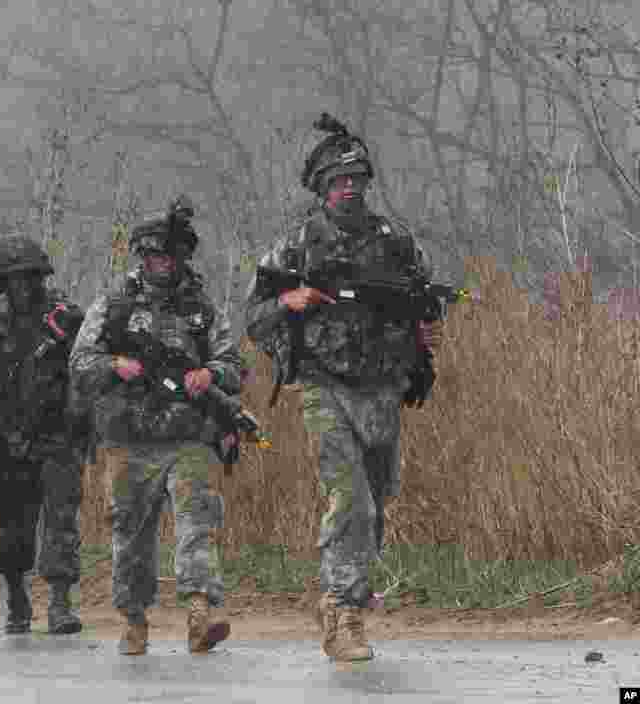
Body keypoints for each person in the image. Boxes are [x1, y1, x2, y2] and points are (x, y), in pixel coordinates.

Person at [243, 114, 443, 662]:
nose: (348, 188)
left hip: (381, 389)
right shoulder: (296, 247)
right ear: (322, 187)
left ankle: (348, 587)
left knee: (374, 506)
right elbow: (253, 316)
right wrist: (290, 302)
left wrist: (423, 345)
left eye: (356, 178)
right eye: (338, 180)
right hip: (323, 386)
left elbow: (423, 308)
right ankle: (343, 610)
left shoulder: (395, 243)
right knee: (348, 497)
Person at [68, 196, 242, 656]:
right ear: (142, 259)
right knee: (130, 532)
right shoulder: (114, 306)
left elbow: (233, 364)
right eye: (154, 256)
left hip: (188, 436)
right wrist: (115, 364)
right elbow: (80, 362)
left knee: (196, 524)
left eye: (170, 256)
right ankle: (134, 619)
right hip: (130, 438)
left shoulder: (202, 310)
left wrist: (212, 374)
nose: (162, 264)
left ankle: (200, 613)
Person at [0, 234, 86, 635]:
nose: (23, 286)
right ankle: (16, 595)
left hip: (58, 435)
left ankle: (60, 602)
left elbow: (89, 372)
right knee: (14, 528)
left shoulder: (66, 318)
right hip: (8, 439)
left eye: (29, 277)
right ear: (3, 282)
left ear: (40, 277)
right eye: (14, 279)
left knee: (61, 521)